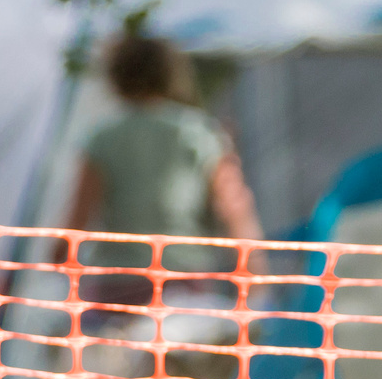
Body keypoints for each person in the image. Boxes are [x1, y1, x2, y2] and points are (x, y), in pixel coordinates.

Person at [68, 34, 262, 244]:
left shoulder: (102, 136)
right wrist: (254, 269)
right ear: (171, 73)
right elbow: (233, 209)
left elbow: (77, 221)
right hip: (182, 269)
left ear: (117, 75)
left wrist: (55, 255)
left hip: (116, 271)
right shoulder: (202, 132)